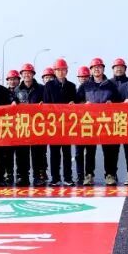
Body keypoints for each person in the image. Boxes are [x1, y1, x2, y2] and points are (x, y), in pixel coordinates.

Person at [76, 57, 124, 186]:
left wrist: (112, 103)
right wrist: (83, 104)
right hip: (90, 122)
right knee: (90, 151)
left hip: (106, 122)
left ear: (103, 69)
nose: (97, 69)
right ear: (91, 70)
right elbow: (76, 102)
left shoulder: (111, 85)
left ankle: (110, 174)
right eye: (94, 68)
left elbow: (119, 102)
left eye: (99, 67)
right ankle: (89, 175)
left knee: (109, 150)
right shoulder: (85, 86)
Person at [42, 58, 77, 186]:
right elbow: (46, 104)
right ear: (54, 71)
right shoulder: (49, 86)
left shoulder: (71, 86)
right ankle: (55, 178)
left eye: (63, 70)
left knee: (67, 153)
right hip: (54, 125)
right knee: (54, 153)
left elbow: (76, 103)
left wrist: (73, 104)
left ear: (66, 71)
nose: (61, 72)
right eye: (58, 70)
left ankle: (68, 177)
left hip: (67, 125)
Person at [13, 63, 47, 186]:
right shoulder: (17, 90)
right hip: (22, 125)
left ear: (33, 74)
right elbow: (12, 104)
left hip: (37, 126)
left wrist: (44, 105)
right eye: (24, 73)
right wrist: (13, 103)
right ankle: (23, 176)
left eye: (29, 73)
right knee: (22, 153)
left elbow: (48, 104)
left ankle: (38, 176)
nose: (27, 75)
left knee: (38, 153)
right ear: (21, 75)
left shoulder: (41, 89)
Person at [72, 65, 91, 184]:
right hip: (78, 125)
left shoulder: (93, 89)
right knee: (79, 153)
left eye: (85, 77)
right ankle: (80, 175)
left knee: (90, 152)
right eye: (81, 77)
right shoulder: (75, 90)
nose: (83, 79)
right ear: (78, 78)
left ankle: (89, 174)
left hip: (90, 124)